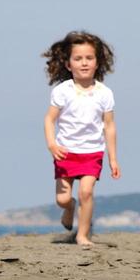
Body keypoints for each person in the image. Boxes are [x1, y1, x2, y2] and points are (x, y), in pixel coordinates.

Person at [42, 30, 119, 247]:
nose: (84, 63)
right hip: (65, 151)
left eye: (89, 58)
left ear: (97, 63)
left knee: (87, 191)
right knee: (62, 199)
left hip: (92, 152)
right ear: (68, 64)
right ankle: (70, 208)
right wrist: (52, 144)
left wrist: (113, 159)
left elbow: (109, 126)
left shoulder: (105, 93)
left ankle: (82, 235)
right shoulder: (62, 91)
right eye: (78, 59)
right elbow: (49, 120)